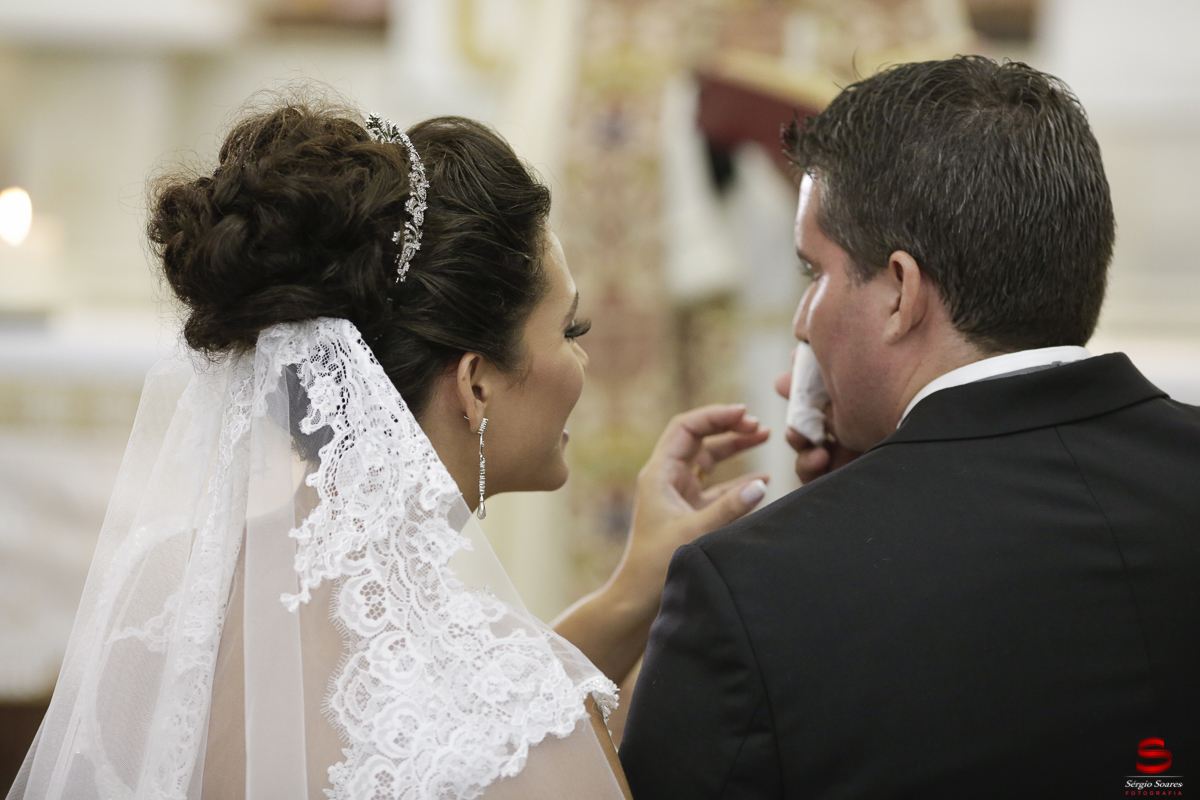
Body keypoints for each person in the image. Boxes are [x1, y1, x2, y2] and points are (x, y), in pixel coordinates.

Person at [6, 98, 771, 800]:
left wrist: (635, 590)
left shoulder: (169, 602)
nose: (583, 364)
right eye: (569, 331)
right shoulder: (516, 716)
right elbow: (467, 728)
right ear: (474, 385)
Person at [619, 56, 1200, 798]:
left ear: (899, 291)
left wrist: (833, 525)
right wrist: (869, 488)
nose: (802, 320)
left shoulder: (754, 589)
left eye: (812, 273)